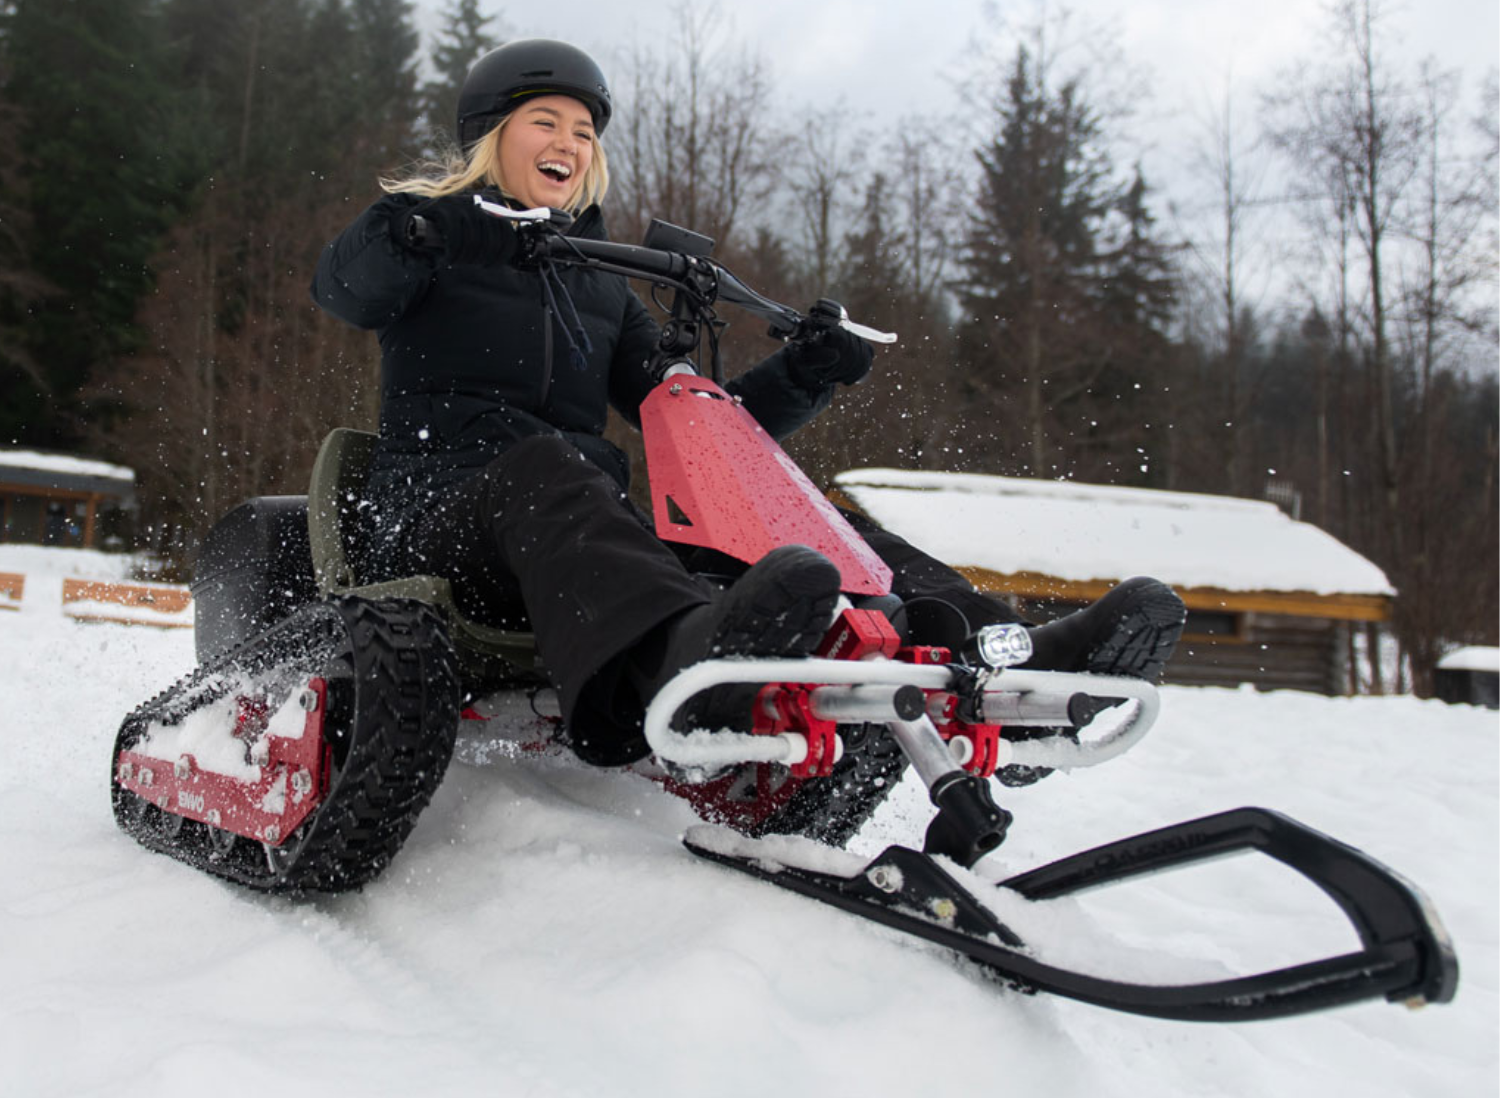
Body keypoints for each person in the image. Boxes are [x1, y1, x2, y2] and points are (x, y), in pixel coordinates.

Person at [311, 39, 1184, 767]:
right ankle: (676, 661)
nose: (568, 142)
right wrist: (420, 227)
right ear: (493, 136)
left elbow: (702, 425)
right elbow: (347, 286)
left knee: (800, 521)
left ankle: (1000, 658)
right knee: (553, 464)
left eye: (583, 130)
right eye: (545, 121)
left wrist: (809, 371)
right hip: (434, 521)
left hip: (570, 540)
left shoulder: (601, 289)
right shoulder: (426, 240)